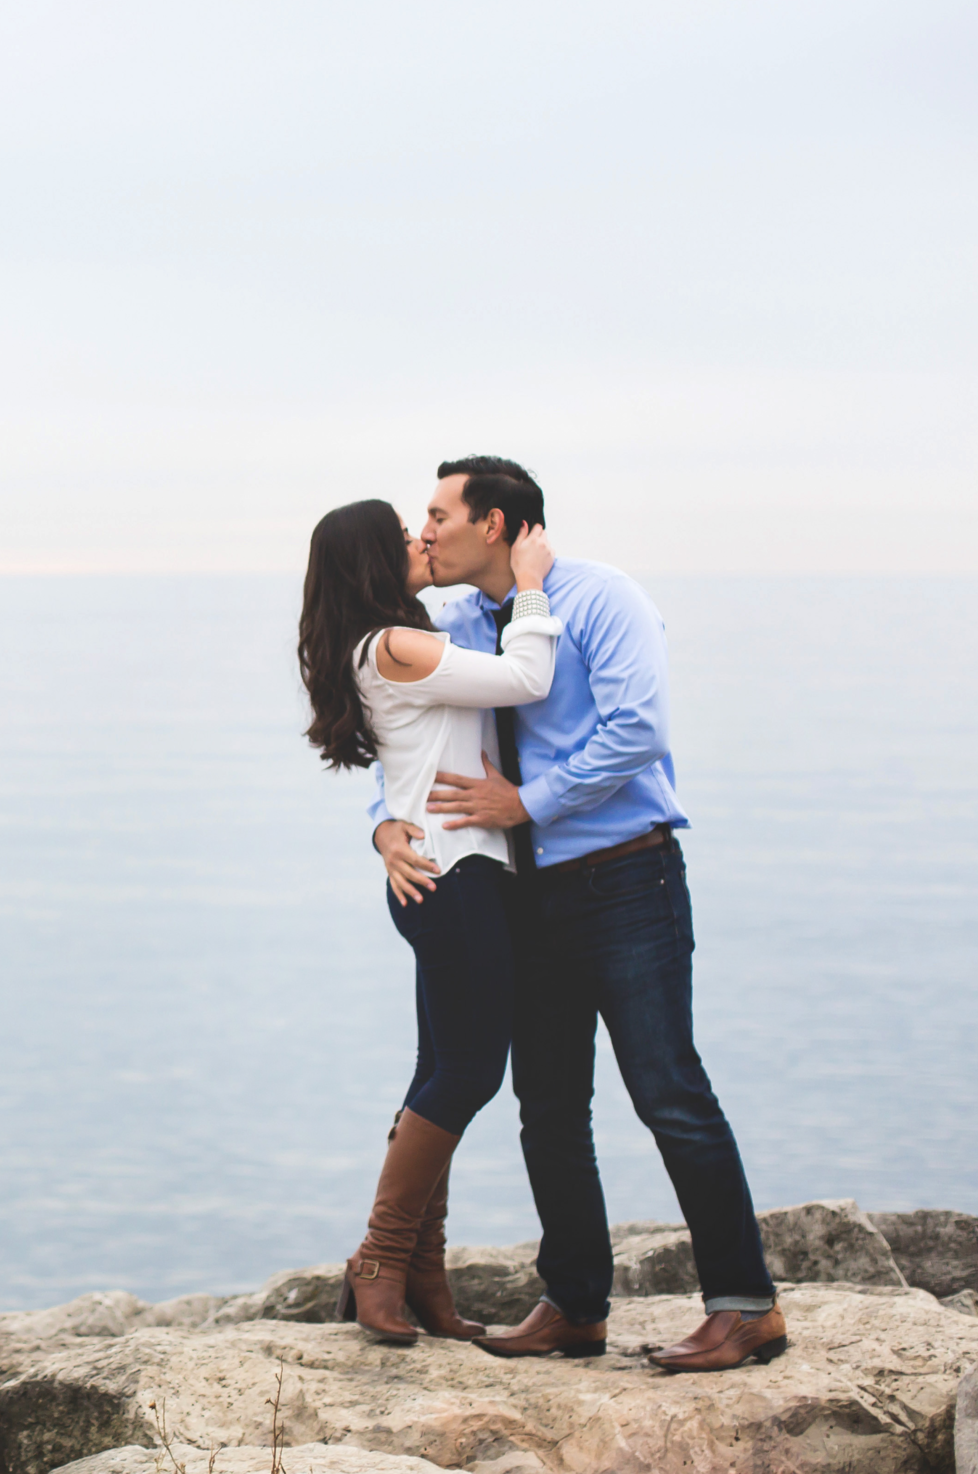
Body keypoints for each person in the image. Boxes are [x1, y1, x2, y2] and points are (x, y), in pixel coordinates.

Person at [376, 455, 785, 1373]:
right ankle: (575, 1303)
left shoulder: (603, 599)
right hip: (525, 895)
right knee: (548, 1105)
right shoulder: (454, 621)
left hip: (627, 882)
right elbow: (406, 738)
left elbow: (638, 728)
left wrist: (531, 800)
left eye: (438, 514)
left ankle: (744, 1304)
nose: (426, 530)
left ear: (494, 524)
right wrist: (384, 828)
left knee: (668, 1090)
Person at [298, 497, 560, 1343]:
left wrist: (381, 827)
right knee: (469, 1073)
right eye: (401, 533)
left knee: (439, 1069)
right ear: (374, 559)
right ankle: (381, 1255)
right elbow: (527, 678)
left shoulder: (393, 637)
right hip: (453, 878)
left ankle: (421, 1272)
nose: (421, 536)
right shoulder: (396, 645)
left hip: (443, 872)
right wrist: (528, 588)